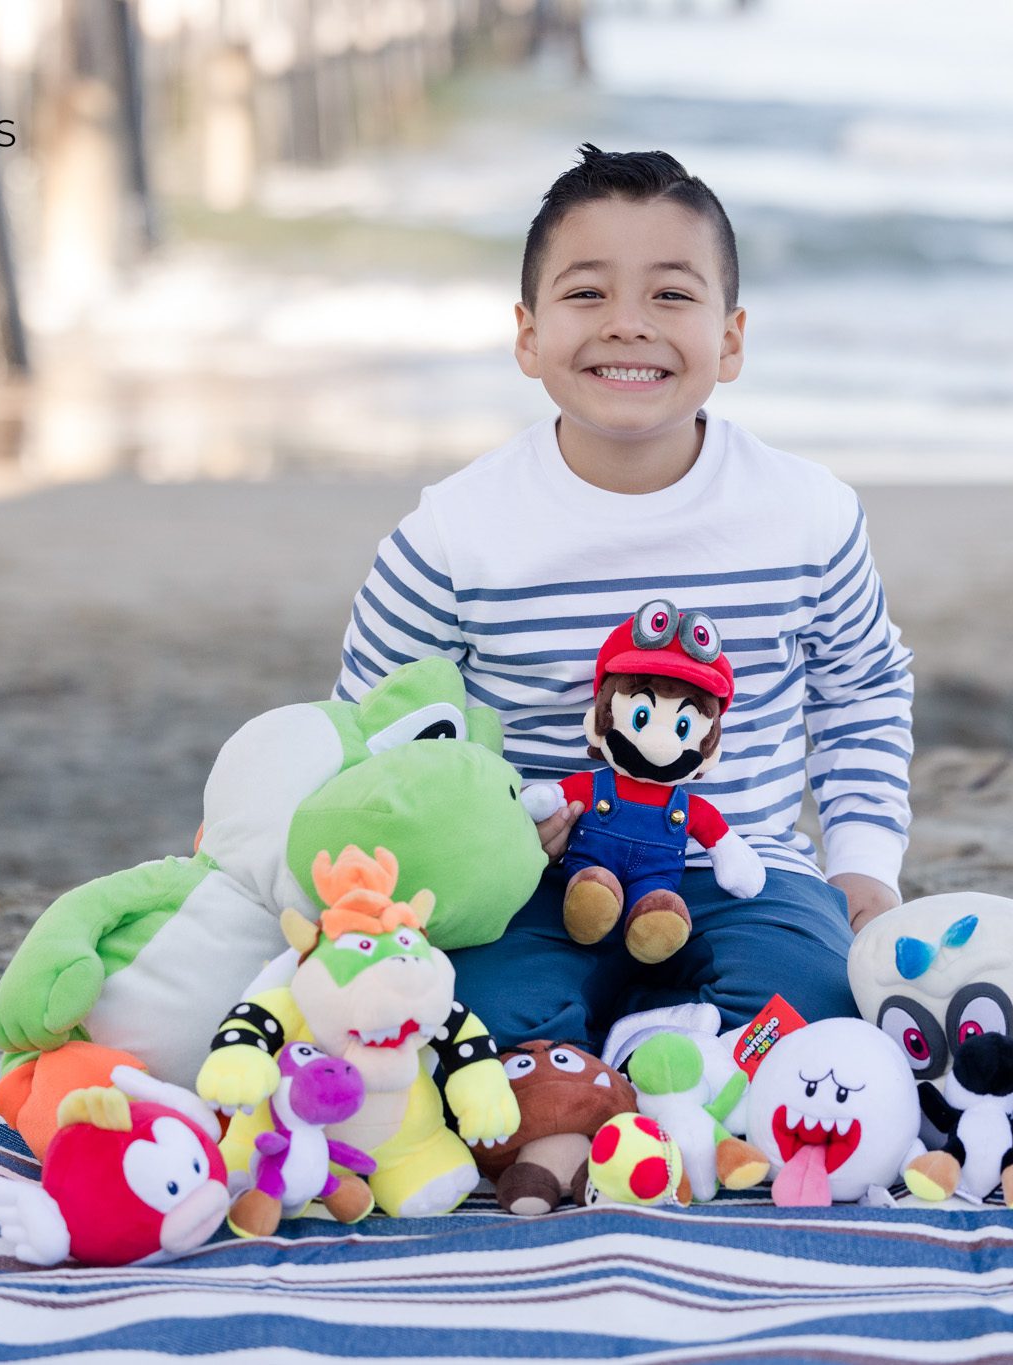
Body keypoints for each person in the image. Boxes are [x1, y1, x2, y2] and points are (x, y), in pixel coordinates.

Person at [333, 144, 913, 1045]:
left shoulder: (807, 515)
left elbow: (863, 691)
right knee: (456, 1022)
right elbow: (378, 734)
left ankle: (650, 1054)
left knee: (814, 1007)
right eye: (587, 293)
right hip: (533, 879)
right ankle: (589, 1063)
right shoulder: (455, 534)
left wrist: (866, 864)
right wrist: (492, 827)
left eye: (672, 294)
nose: (629, 325)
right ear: (528, 333)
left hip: (744, 872)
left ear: (731, 338)